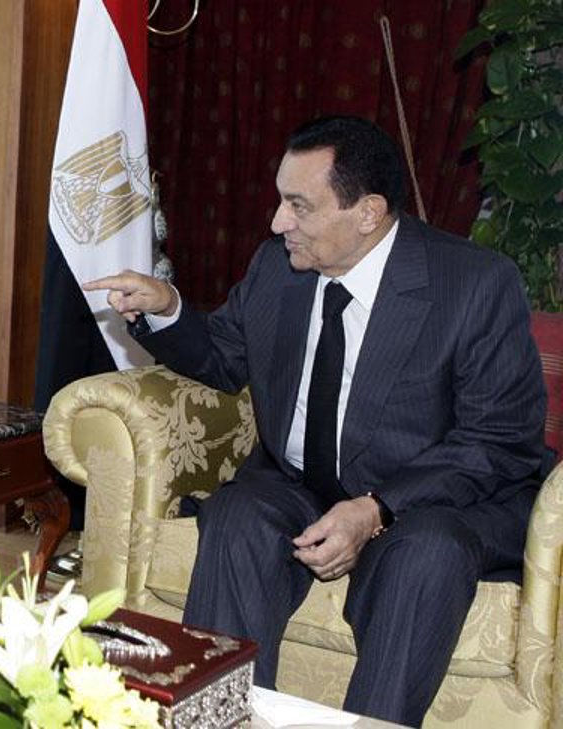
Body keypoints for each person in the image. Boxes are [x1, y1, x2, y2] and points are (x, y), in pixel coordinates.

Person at [85, 116, 551, 726]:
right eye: (281, 200)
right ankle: (217, 717)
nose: (278, 222)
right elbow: (224, 358)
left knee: (426, 554)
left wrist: (377, 509)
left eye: (298, 206)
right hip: (304, 484)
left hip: (430, 502)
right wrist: (169, 308)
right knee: (238, 514)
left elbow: (499, 441)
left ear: (368, 212)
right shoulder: (278, 267)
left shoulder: (473, 285)